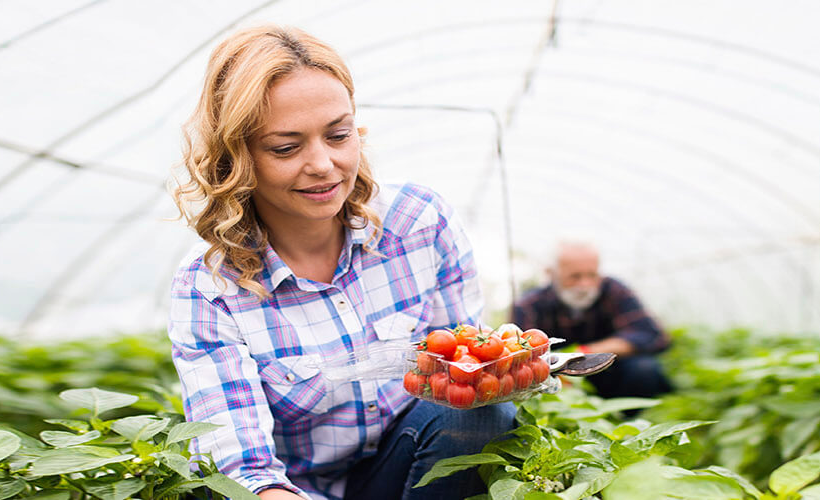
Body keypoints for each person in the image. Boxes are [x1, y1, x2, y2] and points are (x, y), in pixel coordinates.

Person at [166, 25, 514, 500]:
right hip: (298, 491)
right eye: (285, 147)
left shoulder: (418, 222)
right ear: (237, 157)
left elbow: (464, 368)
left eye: (338, 135)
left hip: (413, 463)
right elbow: (241, 472)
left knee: (478, 411)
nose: (324, 164)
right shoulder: (210, 288)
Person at [510, 240, 674, 400]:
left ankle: (628, 417)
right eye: (575, 276)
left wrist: (583, 352)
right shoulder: (529, 305)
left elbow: (651, 335)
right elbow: (520, 356)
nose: (585, 284)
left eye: (592, 275)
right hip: (559, 380)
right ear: (551, 274)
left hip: (610, 372)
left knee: (644, 369)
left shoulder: (613, 290)